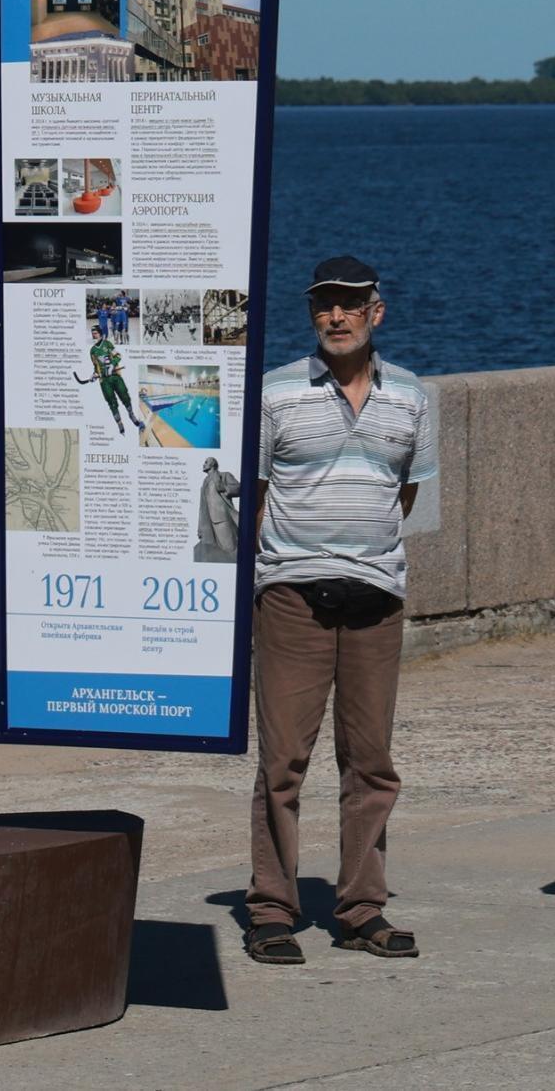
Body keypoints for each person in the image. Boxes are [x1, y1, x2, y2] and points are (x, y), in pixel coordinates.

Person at [241, 256, 437, 966]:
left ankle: (361, 910)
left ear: (376, 313)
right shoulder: (276, 393)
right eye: (325, 305)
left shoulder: (413, 397)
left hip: (376, 599)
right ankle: (271, 910)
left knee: (372, 763)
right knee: (283, 762)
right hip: (292, 596)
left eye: (351, 305)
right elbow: (254, 493)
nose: (336, 317)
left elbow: (407, 495)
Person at [84, 326, 143, 435]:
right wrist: (94, 374)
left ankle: (131, 414)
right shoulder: (92, 350)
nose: (94, 335)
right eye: (92, 333)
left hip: (115, 376)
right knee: (111, 401)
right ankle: (119, 423)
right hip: (104, 381)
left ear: (100, 333)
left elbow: (118, 356)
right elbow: (95, 366)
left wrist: (112, 365)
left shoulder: (108, 344)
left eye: (96, 333)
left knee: (124, 396)